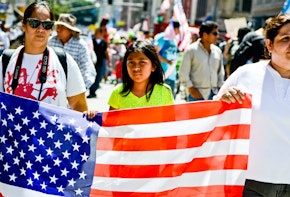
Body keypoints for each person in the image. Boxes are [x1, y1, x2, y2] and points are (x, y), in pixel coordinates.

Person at [214, 14, 290, 196]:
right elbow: (213, 117)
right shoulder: (246, 75)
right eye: (286, 39)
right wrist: (223, 101)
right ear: (269, 44)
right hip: (250, 182)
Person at [0, 1, 88, 112]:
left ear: (51, 29)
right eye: (34, 23)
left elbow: (79, 105)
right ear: (24, 25)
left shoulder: (64, 61)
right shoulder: (6, 60)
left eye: (47, 25)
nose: (41, 29)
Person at [86, 40, 174, 118]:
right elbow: (111, 127)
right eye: (131, 62)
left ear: (153, 66)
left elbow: (171, 125)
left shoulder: (165, 91)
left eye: (142, 62)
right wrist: (94, 116)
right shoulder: (118, 92)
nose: (136, 68)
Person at [179, 21, 225, 102]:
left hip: (214, 95)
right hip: (196, 95)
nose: (217, 36)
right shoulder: (191, 50)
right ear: (205, 35)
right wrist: (192, 89)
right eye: (214, 33)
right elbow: (183, 73)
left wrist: (220, 88)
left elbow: (220, 73)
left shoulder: (217, 51)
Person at [48, 13, 96, 89]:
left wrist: (82, 88)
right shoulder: (50, 41)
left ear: (70, 30)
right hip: (51, 86)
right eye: (58, 26)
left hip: (72, 87)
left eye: (62, 27)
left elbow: (87, 67)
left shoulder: (80, 45)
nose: (58, 29)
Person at [153, 20, 180, 98]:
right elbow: (154, 54)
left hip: (172, 75)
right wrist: (167, 61)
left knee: (170, 103)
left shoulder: (174, 39)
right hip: (161, 75)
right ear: (175, 29)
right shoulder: (162, 37)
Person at [87, 27, 110, 98]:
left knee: (99, 76)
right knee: (91, 76)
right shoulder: (92, 41)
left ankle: (94, 91)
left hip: (101, 61)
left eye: (99, 32)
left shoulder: (104, 42)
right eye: (96, 32)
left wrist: (108, 60)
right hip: (92, 62)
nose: (97, 34)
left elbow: (106, 52)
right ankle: (91, 91)